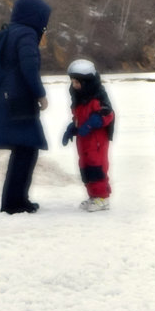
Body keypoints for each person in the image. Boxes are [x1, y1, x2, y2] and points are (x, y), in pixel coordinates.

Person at [0, 0, 50, 214]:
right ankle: (14, 203)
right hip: (19, 103)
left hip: (6, 100)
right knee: (26, 150)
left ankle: (15, 200)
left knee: (22, 151)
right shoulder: (26, 34)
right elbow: (29, 67)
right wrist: (40, 94)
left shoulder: (10, 32)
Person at [61, 58, 114, 212]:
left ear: (87, 82)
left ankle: (102, 198)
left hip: (96, 140)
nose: (74, 85)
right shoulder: (79, 98)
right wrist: (71, 129)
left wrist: (91, 123)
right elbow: (77, 118)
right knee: (85, 167)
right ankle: (94, 196)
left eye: (77, 82)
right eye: (73, 82)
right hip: (83, 140)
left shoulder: (97, 97)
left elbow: (107, 114)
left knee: (96, 166)